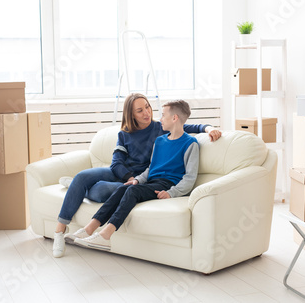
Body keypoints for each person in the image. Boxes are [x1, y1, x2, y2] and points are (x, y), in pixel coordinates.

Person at [53, 93, 221, 257]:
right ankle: (76, 228)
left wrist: (209, 128)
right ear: (131, 114)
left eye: (147, 107)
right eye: (140, 110)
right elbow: (119, 163)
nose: (147, 113)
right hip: (126, 174)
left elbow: (187, 128)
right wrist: (132, 179)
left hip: (153, 181)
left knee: (105, 190)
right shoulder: (136, 136)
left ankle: (85, 201)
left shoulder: (163, 131)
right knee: (83, 177)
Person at [72, 99, 199, 251]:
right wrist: (138, 180)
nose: (160, 119)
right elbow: (151, 168)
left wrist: (171, 193)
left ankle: (106, 235)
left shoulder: (190, 143)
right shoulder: (159, 141)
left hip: (167, 184)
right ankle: (88, 229)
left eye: (163, 115)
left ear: (174, 118)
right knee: (123, 189)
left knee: (132, 191)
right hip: (152, 181)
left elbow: (190, 178)